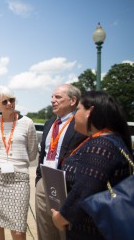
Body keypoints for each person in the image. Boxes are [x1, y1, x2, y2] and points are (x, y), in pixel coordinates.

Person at [51, 91, 132, 239]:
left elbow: (84, 191)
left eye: (78, 109)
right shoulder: (108, 140)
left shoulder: (101, 146)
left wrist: (60, 217)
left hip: (92, 232)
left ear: (90, 111)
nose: (75, 115)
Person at [0, 86, 38, 240]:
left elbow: (33, 154)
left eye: (11, 100)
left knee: (19, 229)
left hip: (19, 178)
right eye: (4, 101)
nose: (9, 104)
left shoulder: (27, 122)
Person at [35, 83, 86, 240]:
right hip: (44, 183)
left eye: (58, 97)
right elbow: (43, 153)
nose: (52, 100)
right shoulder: (49, 123)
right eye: (52, 96)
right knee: (45, 230)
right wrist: (39, 180)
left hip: (66, 185)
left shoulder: (80, 124)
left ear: (72, 101)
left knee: (65, 231)